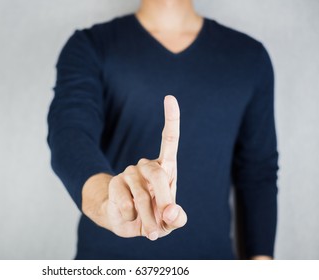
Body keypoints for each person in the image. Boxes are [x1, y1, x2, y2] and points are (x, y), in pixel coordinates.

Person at [47, 0, 278, 260]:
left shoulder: (249, 58)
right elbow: (69, 136)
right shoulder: (91, 46)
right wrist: (106, 203)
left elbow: (258, 172)